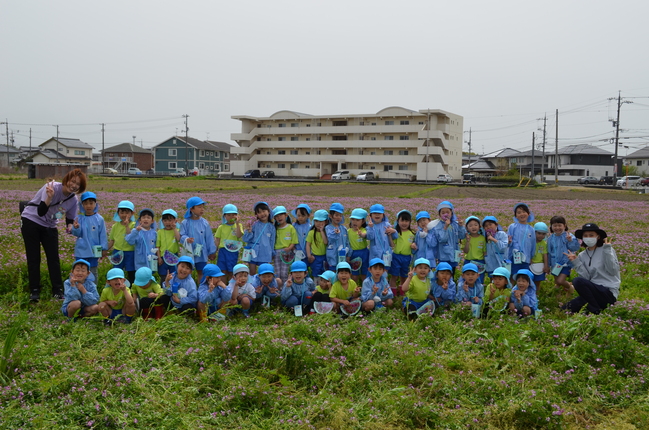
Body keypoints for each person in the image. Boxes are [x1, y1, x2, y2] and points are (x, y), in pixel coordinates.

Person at [21, 169, 87, 301]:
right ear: (67, 179)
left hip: (50, 225)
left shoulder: (73, 200)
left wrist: (71, 227)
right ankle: (34, 291)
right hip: (31, 221)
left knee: (54, 259)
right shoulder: (51, 187)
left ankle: (57, 290)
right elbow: (40, 212)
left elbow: (68, 220)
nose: (74, 185)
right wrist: (49, 198)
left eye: (78, 185)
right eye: (72, 181)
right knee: (34, 258)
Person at [562, 223, 620, 315]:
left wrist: (607, 250)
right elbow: (587, 278)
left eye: (591, 235)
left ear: (598, 236)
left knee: (577, 281)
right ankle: (595, 307)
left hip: (607, 293)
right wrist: (576, 262)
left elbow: (613, 271)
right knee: (565, 308)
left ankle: (594, 309)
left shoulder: (607, 250)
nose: (588, 237)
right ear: (582, 238)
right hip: (592, 293)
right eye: (585, 235)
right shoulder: (582, 255)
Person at [71, 191, 108, 281]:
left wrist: (104, 248)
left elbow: (102, 235)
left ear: (95, 204)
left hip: (94, 250)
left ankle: (92, 290)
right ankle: (79, 287)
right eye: (86, 203)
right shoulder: (79, 218)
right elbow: (77, 234)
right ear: (81, 205)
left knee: (93, 270)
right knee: (79, 270)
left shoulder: (99, 219)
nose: (88, 206)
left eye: (91, 203)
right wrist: (76, 228)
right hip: (81, 250)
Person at [180, 197, 217, 280]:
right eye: (199, 207)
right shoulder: (185, 222)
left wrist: (212, 251)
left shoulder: (204, 223)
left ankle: (201, 290)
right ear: (191, 209)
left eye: (203, 207)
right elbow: (181, 235)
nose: (202, 209)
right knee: (186, 271)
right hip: (189, 252)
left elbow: (209, 238)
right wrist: (186, 239)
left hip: (201, 252)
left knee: (201, 272)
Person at [547, 215, 580, 293]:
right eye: (555, 225)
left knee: (560, 281)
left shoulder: (569, 236)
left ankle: (570, 286)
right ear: (551, 227)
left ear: (564, 226)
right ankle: (559, 296)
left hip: (566, 263)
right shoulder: (550, 238)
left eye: (559, 225)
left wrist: (570, 241)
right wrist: (548, 265)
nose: (557, 228)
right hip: (555, 263)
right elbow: (548, 252)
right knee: (557, 282)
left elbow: (575, 248)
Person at [432, 201, 466, 275]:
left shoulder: (455, 224)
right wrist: (445, 227)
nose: (445, 214)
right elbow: (442, 239)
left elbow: (462, 236)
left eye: (447, 212)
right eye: (443, 212)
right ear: (439, 214)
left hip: (454, 255)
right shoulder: (438, 226)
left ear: (452, 213)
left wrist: (461, 226)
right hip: (443, 256)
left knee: (451, 274)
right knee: (443, 273)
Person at [242, 201, 276, 276]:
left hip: (265, 253)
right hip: (253, 252)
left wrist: (272, 252)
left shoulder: (271, 227)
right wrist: (249, 231)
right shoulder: (254, 224)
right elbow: (246, 239)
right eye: (259, 212)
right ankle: (253, 287)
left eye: (264, 211)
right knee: (252, 273)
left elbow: (272, 241)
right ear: (256, 214)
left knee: (264, 273)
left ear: (269, 211)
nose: (262, 214)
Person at [107, 200, 136, 284]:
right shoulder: (115, 226)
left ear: (132, 213)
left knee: (131, 272)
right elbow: (112, 240)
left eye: (127, 212)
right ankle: (117, 288)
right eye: (121, 212)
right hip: (117, 252)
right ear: (118, 213)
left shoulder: (134, 225)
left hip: (130, 252)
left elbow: (131, 238)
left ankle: (131, 290)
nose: (124, 215)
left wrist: (127, 226)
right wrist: (105, 250)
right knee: (117, 272)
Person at [214, 204, 244, 281]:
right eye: (229, 215)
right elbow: (217, 240)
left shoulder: (239, 225)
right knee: (222, 270)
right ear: (224, 216)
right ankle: (223, 287)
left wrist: (237, 224)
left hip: (233, 251)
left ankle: (231, 288)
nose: (231, 217)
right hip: (223, 251)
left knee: (231, 271)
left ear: (237, 216)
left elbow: (239, 235)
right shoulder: (221, 227)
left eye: (234, 214)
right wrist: (214, 251)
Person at [390, 210, 415, 295]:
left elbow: (414, 246)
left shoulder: (412, 234)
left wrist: (414, 246)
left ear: (410, 222)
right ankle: (392, 294)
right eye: (402, 220)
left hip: (407, 258)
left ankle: (402, 294)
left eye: (406, 221)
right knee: (394, 276)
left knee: (404, 277)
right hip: (396, 256)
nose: (404, 223)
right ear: (398, 221)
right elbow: (392, 244)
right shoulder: (396, 233)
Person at [272, 206, 299, 285]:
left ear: (286, 215)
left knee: (284, 272)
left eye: (281, 215)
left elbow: (294, 240)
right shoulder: (275, 228)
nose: (279, 217)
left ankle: (284, 287)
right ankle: (278, 288)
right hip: (276, 252)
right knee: (277, 272)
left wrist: (290, 248)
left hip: (287, 252)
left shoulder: (290, 227)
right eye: (276, 216)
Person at [507, 203, 536, 276]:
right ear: (516, 216)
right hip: (514, 256)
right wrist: (509, 242)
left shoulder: (531, 229)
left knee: (524, 276)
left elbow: (533, 244)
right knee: (514, 275)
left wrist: (531, 257)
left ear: (528, 214)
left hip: (526, 257)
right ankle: (513, 287)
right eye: (519, 213)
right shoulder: (512, 227)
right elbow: (508, 242)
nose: (522, 214)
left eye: (524, 212)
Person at [156, 209, 181, 278]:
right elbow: (157, 246)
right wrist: (159, 258)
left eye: (170, 220)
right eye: (165, 221)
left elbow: (178, 239)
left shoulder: (176, 230)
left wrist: (174, 228)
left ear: (175, 220)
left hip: (174, 256)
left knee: (173, 274)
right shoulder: (160, 232)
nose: (167, 223)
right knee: (163, 275)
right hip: (162, 257)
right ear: (162, 221)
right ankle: (163, 287)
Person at [325, 203, 349, 270]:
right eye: (336, 215)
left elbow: (347, 242)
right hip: (333, 257)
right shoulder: (328, 228)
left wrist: (349, 254)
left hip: (343, 257)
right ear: (330, 216)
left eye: (340, 215)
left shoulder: (344, 228)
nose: (338, 217)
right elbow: (331, 239)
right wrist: (336, 234)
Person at [462, 216, 486, 283]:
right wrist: (467, 241)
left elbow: (484, 252)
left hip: (480, 262)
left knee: (479, 280)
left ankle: (479, 292)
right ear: (467, 228)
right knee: (467, 280)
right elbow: (465, 251)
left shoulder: (483, 238)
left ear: (479, 226)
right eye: (470, 225)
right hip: (469, 261)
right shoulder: (466, 238)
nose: (473, 227)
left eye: (476, 225)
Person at [348, 208, 369, 283]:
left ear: (363, 221)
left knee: (364, 273)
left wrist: (361, 234)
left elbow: (365, 235)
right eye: (353, 219)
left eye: (357, 220)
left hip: (364, 253)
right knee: (354, 274)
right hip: (353, 253)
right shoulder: (348, 231)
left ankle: (365, 289)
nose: (354, 222)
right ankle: (354, 290)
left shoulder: (363, 230)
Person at [305, 210, 328, 279]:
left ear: (326, 222)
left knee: (325, 274)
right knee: (316, 274)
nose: (318, 223)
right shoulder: (311, 232)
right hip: (315, 257)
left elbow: (325, 242)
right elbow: (308, 245)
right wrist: (309, 255)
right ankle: (316, 288)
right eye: (316, 221)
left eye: (321, 221)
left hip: (325, 257)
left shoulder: (326, 232)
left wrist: (321, 231)